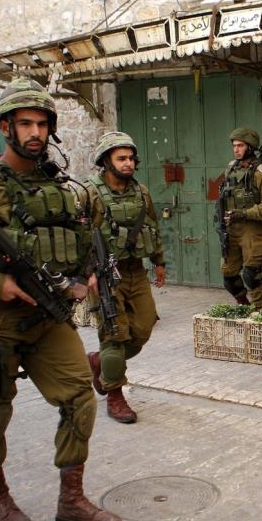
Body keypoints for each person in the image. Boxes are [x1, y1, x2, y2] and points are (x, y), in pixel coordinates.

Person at [0, 78, 121, 521]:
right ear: (5, 127)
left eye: (42, 124)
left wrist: (86, 273)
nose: (35, 132)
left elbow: (80, 238)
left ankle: (71, 501)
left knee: (80, 398)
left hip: (49, 318)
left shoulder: (61, 185)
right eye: (26, 123)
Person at [85, 131, 166, 424]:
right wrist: (87, 274)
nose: (128, 163)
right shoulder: (90, 193)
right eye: (121, 158)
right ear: (107, 161)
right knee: (114, 335)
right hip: (104, 275)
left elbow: (152, 225)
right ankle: (114, 395)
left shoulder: (141, 191)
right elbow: (78, 236)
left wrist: (158, 261)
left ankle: (99, 361)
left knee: (142, 330)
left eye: (131, 158)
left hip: (135, 270)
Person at [216, 127, 262, 308]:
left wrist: (244, 213)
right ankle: (244, 306)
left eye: (240, 146)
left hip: (251, 229)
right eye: (234, 146)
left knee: (252, 274)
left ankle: (259, 311)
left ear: (250, 147)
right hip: (231, 229)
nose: (236, 150)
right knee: (228, 276)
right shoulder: (231, 168)